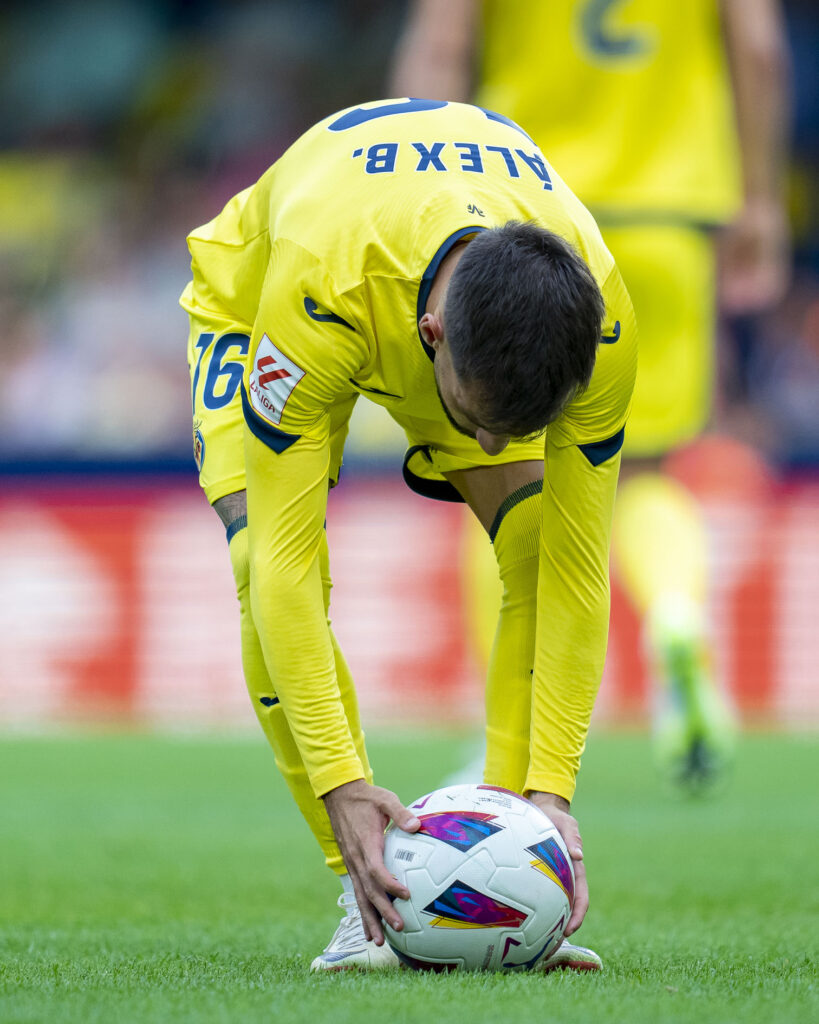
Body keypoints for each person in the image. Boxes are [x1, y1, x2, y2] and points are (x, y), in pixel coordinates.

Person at [181, 98, 636, 971]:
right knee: (256, 557)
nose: (496, 449)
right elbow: (285, 559)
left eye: (521, 425)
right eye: (484, 422)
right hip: (265, 301)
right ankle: (359, 895)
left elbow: (578, 575)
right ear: (434, 339)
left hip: (430, 287)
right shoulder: (318, 285)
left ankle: (501, 868)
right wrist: (342, 789)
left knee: (539, 539)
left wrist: (550, 798)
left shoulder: (602, 318)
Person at [391, 0, 790, 788]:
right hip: (666, 218)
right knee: (643, 473)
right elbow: (760, 45)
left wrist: (412, 196)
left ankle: (500, 734)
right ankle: (676, 615)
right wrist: (760, 198)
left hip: (518, 208)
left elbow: (440, 45)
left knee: (493, 465)